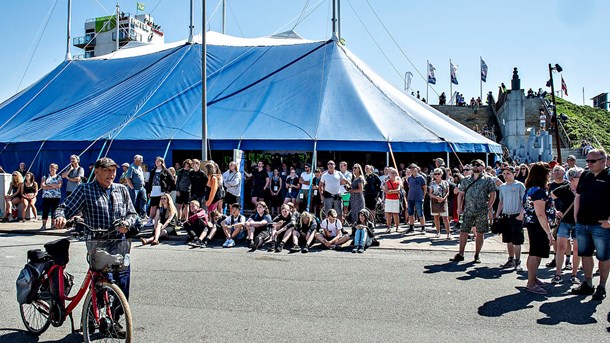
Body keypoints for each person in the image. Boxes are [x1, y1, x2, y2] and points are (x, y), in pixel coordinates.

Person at [53, 157, 137, 337]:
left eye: (113, 171)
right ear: (96, 171)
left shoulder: (121, 189)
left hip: (119, 242)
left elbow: (133, 214)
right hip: (97, 242)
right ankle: (92, 316)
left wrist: (127, 223)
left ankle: (114, 319)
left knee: (122, 281)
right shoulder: (85, 190)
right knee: (100, 279)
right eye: (107, 171)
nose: (111, 174)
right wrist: (60, 217)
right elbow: (65, 207)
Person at [572, 149, 610, 300]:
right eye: (587, 161)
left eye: (592, 161)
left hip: (601, 225)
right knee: (585, 254)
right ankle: (588, 284)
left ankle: (601, 286)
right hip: (582, 223)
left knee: (603, 257)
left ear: (603, 160)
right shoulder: (586, 175)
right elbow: (578, 196)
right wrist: (576, 218)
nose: (588, 164)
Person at [450, 159, 497, 263]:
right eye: (474, 165)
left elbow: (493, 194)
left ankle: (477, 255)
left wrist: (489, 206)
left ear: (483, 167)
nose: (476, 166)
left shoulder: (488, 179)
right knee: (463, 231)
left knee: (480, 233)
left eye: (479, 165)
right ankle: (460, 253)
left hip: (481, 210)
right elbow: (461, 194)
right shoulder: (466, 180)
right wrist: (459, 208)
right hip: (468, 210)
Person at [522, 162, 555, 294]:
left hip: (534, 224)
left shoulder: (531, 189)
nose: (549, 175)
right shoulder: (539, 191)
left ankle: (533, 278)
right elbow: (540, 213)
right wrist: (549, 233)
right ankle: (530, 282)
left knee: (537, 252)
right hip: (538, 225)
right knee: (535, 253)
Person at [550, 167, 583, 284]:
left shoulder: (584, 189)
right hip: (565, 222)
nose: (583, 178)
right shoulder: (563, 189)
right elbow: (550, 198)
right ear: (573, 179)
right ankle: (558, 274)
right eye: (581, 176)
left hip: (579, 223)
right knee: (561, 248)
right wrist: (555, 211)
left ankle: (574, 275)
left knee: (577, 249)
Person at [496, 166, 526, 271]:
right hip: (506, 215)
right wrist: (497, 214)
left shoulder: (519, 185)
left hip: (516, 215)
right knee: (508, 240)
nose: (505, 176)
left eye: (508, 173)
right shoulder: (502, 187)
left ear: (513, 174)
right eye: (504, 174)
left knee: (517, 240)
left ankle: (518, 261)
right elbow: (501, 201)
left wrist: (521, 214)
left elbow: (524, 201)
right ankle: (511, 259)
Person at [146, 157, 175, 225]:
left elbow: (172, 181)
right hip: (154, 191)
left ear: (162, 162)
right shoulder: (153, 171)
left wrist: (168, 190)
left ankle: (164, 219)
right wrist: (149, 191)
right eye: (156, 161)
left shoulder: (166, 171)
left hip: (162, 192)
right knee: (153, 206)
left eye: (158, 161)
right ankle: (150, 220)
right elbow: (150, 182)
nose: (157, 163)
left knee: (163, 206)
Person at [429, 168, 451, 239]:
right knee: (436, 217)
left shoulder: (445, 182)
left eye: (438, 173)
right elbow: (430, 193)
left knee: (445, 218)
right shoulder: (432, 183)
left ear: (441, 174)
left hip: (443, 201)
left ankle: (448, 233)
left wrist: (443, 198)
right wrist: (437, 198)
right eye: (435, 174)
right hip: (435, 202)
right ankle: (438, 232)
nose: (437, 175)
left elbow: (448, 192)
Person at [406, 164, 427, 234]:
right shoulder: (409, 178)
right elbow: (410, 187)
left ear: (417, 169)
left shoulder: (421, 178)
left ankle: (423, 227)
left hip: (419, 197)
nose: (412, 169)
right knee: (410, 213)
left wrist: (423, 196)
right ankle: (411, 227)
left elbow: (424, 187)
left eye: (413, 168)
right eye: (411, 168)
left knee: (420, 213)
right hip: (410, 197)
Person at [40, 164, 62, 230]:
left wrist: (48, 185)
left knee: (54, 211)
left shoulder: (58, 177)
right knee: (45, 210)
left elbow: (59, 185)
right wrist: (52, 186)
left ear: (56, 169)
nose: (52, 169)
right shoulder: (45, 176)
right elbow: (42, 186)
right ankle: (44, 225)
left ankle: (53, 225)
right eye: (51, 168)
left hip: (56, 196)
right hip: (46, 196)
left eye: (54, 168)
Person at [125, 155, 147, 219]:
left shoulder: (139, 167)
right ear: (136, 160)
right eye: (140, 160)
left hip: (141, 187)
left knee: (144, 200)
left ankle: (143, 214)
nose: (142, 161)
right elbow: (127, 178)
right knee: (133, 202)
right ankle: (132, 215)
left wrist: (143, 182)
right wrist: (132, 187)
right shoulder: (132, 167)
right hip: (134, 188)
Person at [383, 167, 401, 233]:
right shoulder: (387, 182)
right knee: (388, 214)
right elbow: (386, 191)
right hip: (388, 199)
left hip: (395, 199)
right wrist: (394, 191)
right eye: (392, 173)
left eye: (395, 173)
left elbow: (398, 190)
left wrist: (390, 191)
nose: (393, 174)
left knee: (396, 214)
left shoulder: (398, 182)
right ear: (389, 174)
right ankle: (388, 227)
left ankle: (397, 227)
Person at [175, 159, 192, 223]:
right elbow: (177, 181)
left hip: (188, 191)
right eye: (186, 165)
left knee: (186, 206)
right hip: (180, 190)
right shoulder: (180, 171)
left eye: (188, 166)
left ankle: (186, 219)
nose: (187, 167)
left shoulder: (191, 171)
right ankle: (179, 219)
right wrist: (177, 190)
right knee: (179, 206)